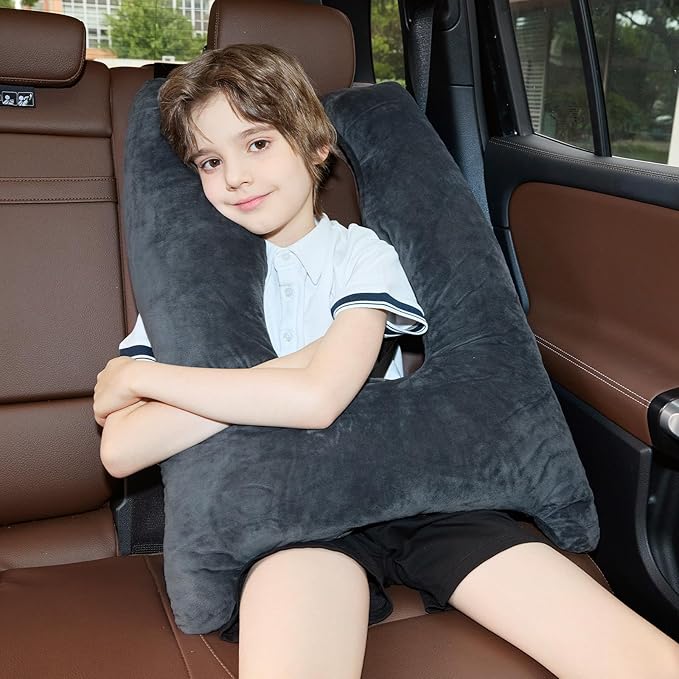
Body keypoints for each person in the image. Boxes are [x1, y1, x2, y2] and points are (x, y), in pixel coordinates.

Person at [93, 44, 679, 679]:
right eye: (210, 161)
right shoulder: (191, 293)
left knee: (635, 659)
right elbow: (121, 449)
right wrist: (298, 368)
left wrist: (144, 378)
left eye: (257, 143)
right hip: (294, 520)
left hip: (428, 500)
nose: (235, 176)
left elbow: (319, 400)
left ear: (316, 146)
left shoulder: (361, 255)